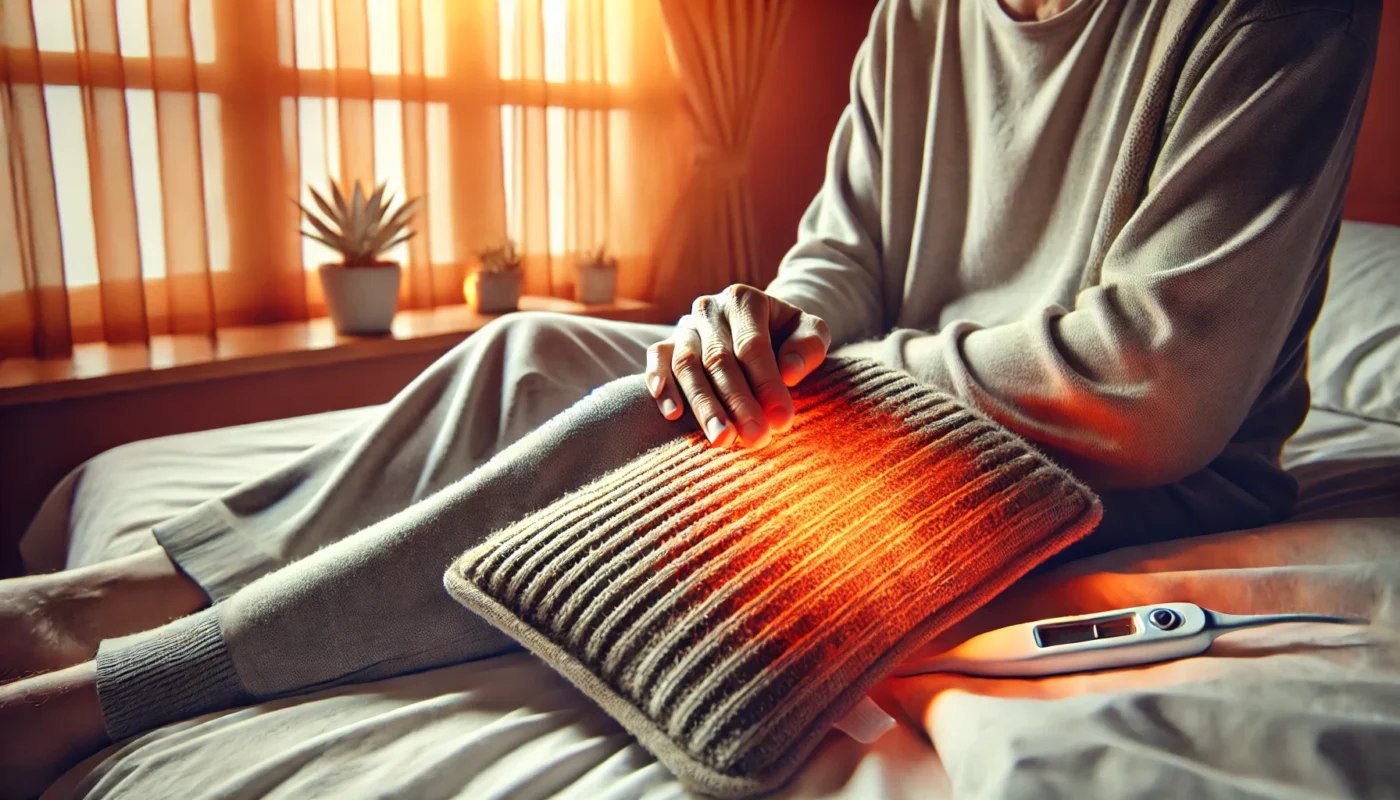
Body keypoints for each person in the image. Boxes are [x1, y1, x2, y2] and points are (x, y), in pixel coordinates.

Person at [0, 0, 1379, 794]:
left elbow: (1155, 387)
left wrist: (828, 366)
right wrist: (770, 319)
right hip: (905, 395)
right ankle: (113, 598)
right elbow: (843, 250)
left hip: (1104, 461)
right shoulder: (926, 10)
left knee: (640, 427)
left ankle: (118, 694)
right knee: (531, 349)